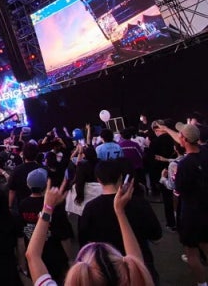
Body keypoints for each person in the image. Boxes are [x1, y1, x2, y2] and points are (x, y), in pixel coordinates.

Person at [26, 180, 154, 286]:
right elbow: (136, 261)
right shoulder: (136, 279)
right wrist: (120, 211)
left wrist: (47, 208)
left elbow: (32, 255)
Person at [78, 160, 161, 281]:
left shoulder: (90, 208)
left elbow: (84, 243)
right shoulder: (139, 203)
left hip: (106, 270)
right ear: (121, 177)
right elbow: (157, 238)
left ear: (98, 180)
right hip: (140, 267)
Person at [171, 122, 208, 284]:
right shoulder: (205, 153)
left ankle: (202, 283)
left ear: (184, 139)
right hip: (206, 208)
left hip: (191, 215)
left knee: (191, 253)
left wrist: (171, 176)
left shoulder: (184, 165)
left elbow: (178, 190)